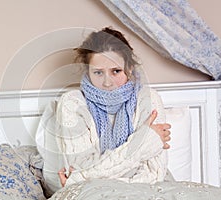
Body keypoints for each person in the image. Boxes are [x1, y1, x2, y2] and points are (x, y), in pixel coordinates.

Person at [35, 27, 171, 196]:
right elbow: (81, 167)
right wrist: (144, 143)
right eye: (98, 72)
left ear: (129, 67)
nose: (108, 82)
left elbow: (154, 174)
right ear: (88, 71)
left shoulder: (148, 99)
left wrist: (79, 179)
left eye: (116, 71)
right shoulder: (72, 103)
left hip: (146, 193)